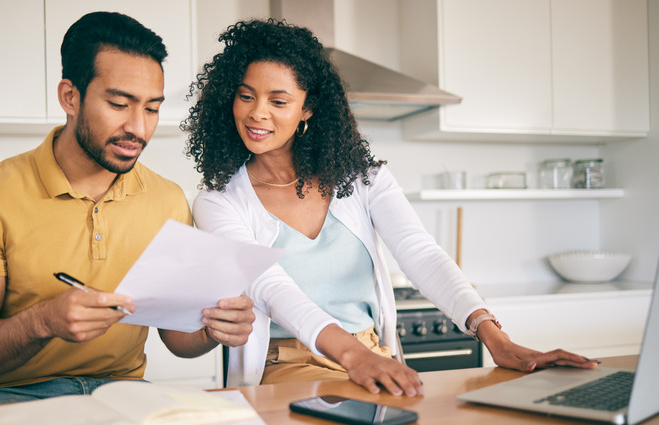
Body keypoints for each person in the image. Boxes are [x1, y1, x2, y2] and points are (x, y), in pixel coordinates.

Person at [183, 19, 597, 397]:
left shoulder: (363, 179)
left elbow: (422, 254)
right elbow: (270, 288)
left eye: (279, 101)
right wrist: (351, 356)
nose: (257, 113)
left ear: (306, 109)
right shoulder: (219, 201)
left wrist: (496, 340)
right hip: (288, 367)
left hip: (372, 354)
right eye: (246, 96)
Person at [0, 11, 254, 408]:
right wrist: (43, 322)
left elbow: (177, 339)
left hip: (124, 395)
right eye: (120, 104)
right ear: (70, 97)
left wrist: (215, 328)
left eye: (152, 109)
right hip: (8, 395)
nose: (138, 128)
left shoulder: (167, 200)